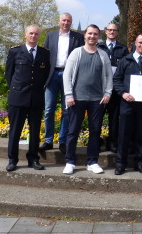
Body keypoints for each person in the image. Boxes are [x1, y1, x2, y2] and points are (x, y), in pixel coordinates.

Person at [62, 24, 113, 175]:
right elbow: (67, 75)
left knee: (95, 131)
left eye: (95, 34)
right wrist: (68, 95)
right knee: (73, 131)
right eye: (90, 34)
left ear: (98, 36)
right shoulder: (76, 53)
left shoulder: (103, 55)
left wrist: (108, 93)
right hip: (77, 99)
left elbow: (109, 76)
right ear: (85, 35)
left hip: (97, 100)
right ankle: (70, 161)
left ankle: (92, 161)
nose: (92, 36)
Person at [5, 25, 50, 172]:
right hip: (18, 97)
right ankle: (12, 160)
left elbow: (46, 75)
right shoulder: (15, 52)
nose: (33, 36)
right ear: (25, 35)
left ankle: (33, 159)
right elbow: (9, 74)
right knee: (15, 130)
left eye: (36, 34)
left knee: (35, 131)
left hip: (36, 98)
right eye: (31, 33)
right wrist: (17, 89)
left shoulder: (44, 53)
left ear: (39, 36)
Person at [112, 34, 142, 175]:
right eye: (140, 43)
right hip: (127, 103)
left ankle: (140, 163)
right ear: (134, 44)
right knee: (124, 134)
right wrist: (123, 93)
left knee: (141, 134)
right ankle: (121, 163)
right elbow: (117, 80)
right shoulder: (126, 60)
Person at [40, 13, 84, 156]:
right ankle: (48, 140)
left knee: (66, 111)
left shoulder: (77, 37)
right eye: (63, 20)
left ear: (71, 23)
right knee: (48, 110)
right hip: (52, 76)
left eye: (68, 21)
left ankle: (63, 141)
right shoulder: (50, 35)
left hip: (68, 76)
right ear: (59, 21)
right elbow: (45, 56)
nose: (66, 23)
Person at [97, 23, 129, 153]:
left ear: (117, 32)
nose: (111, 32)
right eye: (109, 30)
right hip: (100, 89)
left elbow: (125, 70)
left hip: (115, 90)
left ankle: (112, 142)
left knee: (114, 118)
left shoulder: (123, 49)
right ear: (105, 31)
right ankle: (96, 141)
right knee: (97, 116)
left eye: (114, 30)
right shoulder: (99, 47)